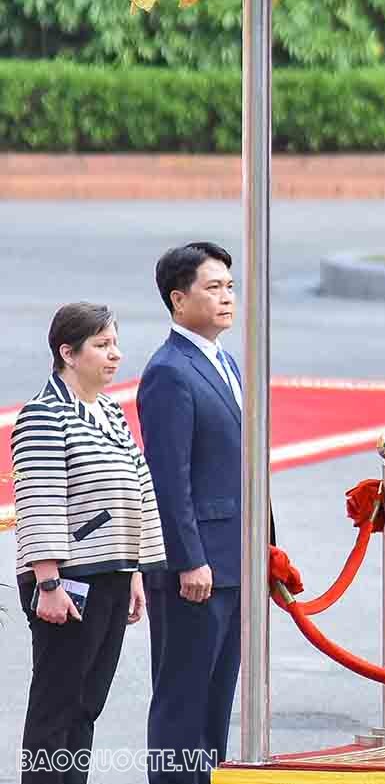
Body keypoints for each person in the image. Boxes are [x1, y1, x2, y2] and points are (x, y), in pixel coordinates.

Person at [14, 304, 165, 784]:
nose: (115, 354)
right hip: (68, 578)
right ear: (68, 353)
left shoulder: (110, 412)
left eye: (114, 343)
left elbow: (137, 488)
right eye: (102, 345)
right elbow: (39, 500)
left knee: (86, 704)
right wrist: (49, 581)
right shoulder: (44, 415)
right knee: (56, 705)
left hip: (112, 574)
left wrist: (135, 569)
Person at [139, 242, 246, 784]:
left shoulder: (224, 361)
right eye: (214, 287)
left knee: (215, 702)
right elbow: (168, 479)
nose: (227, 297)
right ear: (179, 301)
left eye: (229, 286)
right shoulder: (169, 372)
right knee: (183, 699)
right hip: (195, 570)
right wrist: (187, 560)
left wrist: (263, 546)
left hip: (235, 561)